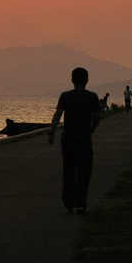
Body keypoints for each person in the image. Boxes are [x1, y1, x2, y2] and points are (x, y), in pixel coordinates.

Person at [48, 67, 101, 214]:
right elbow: (97, 117)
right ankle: (80, 203)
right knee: (84, 171)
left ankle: (68, 201)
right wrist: (92, 129)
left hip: (68, 139)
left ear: (72, 80)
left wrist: (51, 132)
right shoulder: (92, 96)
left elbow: (58, 114)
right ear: (87, 81)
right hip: (84, 138)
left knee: (69, 170)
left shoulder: (65, 96)